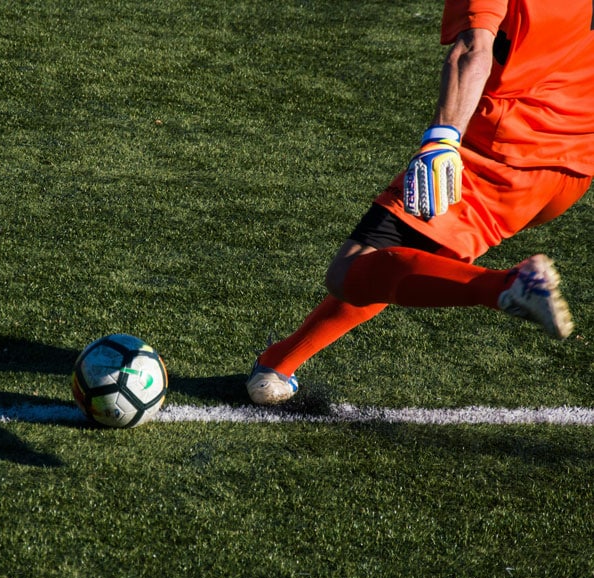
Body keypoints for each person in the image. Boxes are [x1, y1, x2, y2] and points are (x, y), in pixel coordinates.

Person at [246, 0, 594, 405]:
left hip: (501, 154)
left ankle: (507, 286)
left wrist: (443, 137)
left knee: (348, 270)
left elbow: (472, 50)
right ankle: (277, 366)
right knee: (396, 257)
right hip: (572, 168)